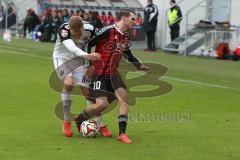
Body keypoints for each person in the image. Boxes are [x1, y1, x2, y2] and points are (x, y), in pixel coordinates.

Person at [74, 9, 151, 144]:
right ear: (125, 18)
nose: (135, 22)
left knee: (124, 99)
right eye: (133, 19)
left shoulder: (126, 36)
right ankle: (79, 118)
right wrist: (88, 63)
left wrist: (139, 66)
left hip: (114, 74)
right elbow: (88, 43)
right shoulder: (108, 31)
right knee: (101, 104)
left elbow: (128, 54)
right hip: (99, 74)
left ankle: (122, 134)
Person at [52, 16, 112, 137]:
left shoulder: (90, 28)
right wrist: (88, 56)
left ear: (83, 27)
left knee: (88, 93)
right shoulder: (64, 30)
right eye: (75, 33)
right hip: (62, 59)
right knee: (68, 83)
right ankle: (67, 121)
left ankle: (100, 124)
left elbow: (102, 39)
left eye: (79, 32)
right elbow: (72, 48)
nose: (77, 35)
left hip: (80, 60)